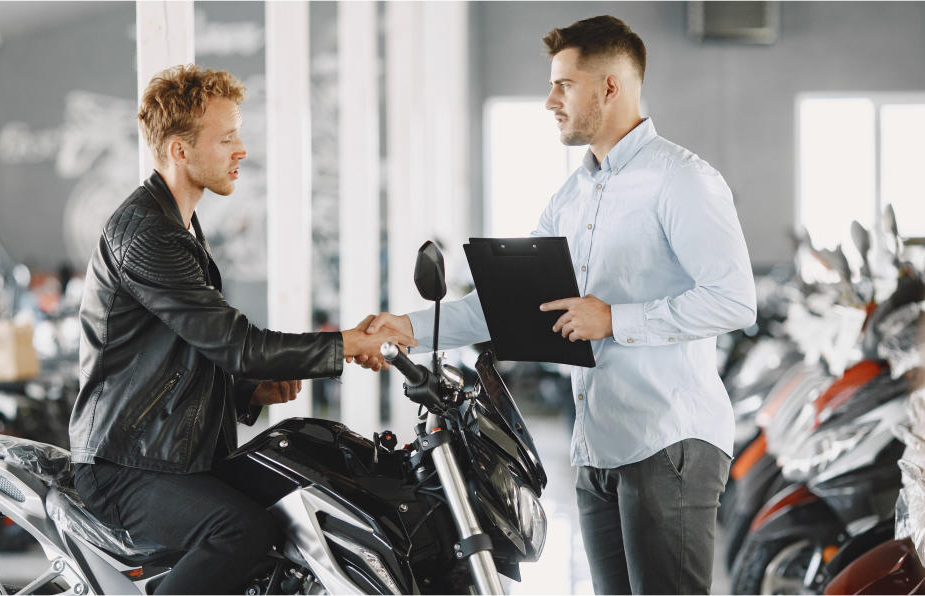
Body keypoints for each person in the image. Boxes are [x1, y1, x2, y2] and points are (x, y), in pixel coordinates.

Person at [358, 16, 756, 596]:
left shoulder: (681, 180)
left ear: (610, 87)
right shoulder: (571, 198)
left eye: (564, 85)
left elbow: (734, 299)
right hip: (597, 445)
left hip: (669, 442)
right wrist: (410, 329)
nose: (550, 101)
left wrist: (615, 318)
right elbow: (516, 307)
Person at [69, 64, 414, 596]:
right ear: (180, 151)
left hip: (164, 453)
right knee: (241, 531)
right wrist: (348, 343)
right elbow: (236, 344)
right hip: (123, 466)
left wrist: (249, 389)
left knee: (299, 488)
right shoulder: (148, 236)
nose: (242, 150)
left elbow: (175, 359)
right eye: (227, 137)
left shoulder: (178, 225)